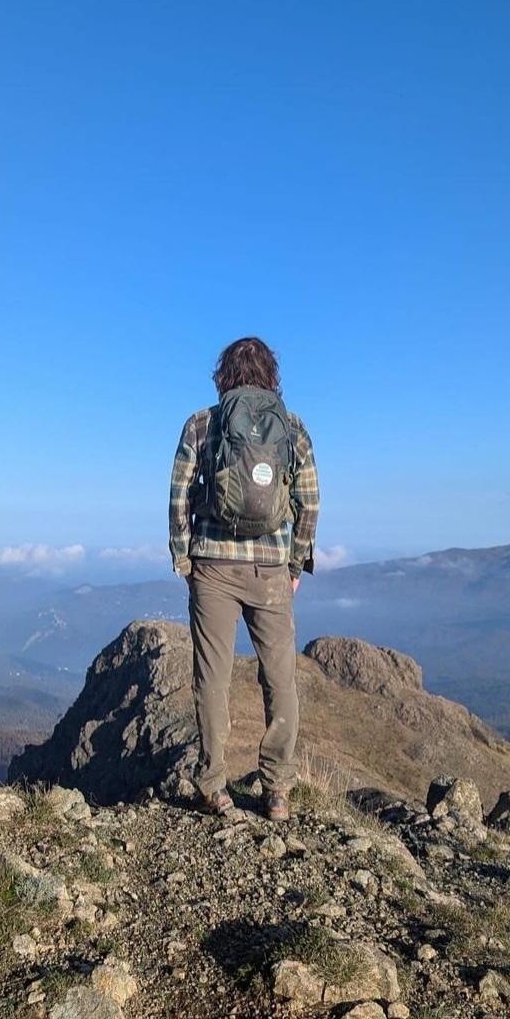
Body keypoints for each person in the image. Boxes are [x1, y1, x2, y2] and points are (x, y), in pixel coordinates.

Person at [168, 337, 320, 821]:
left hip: (212, 566)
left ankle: (214, 786)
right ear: (271, 375)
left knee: (211, 679)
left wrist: (184, 559)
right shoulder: (292, 429)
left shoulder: (201, 423)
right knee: (280, 679)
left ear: (224, 375)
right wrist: (296, 565)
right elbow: (309, 503)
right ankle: (276, 791)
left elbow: (178, 496)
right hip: (271, 571)